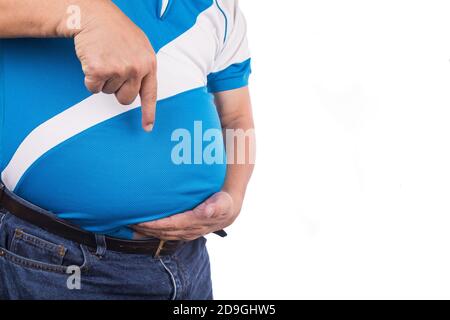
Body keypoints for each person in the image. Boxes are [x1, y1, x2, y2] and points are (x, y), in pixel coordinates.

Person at [0, 0, 255, 299]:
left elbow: (237, 120)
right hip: (61, 264)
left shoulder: (220, 10)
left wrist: (234, 196)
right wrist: (88, 13)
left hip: (189, 262)